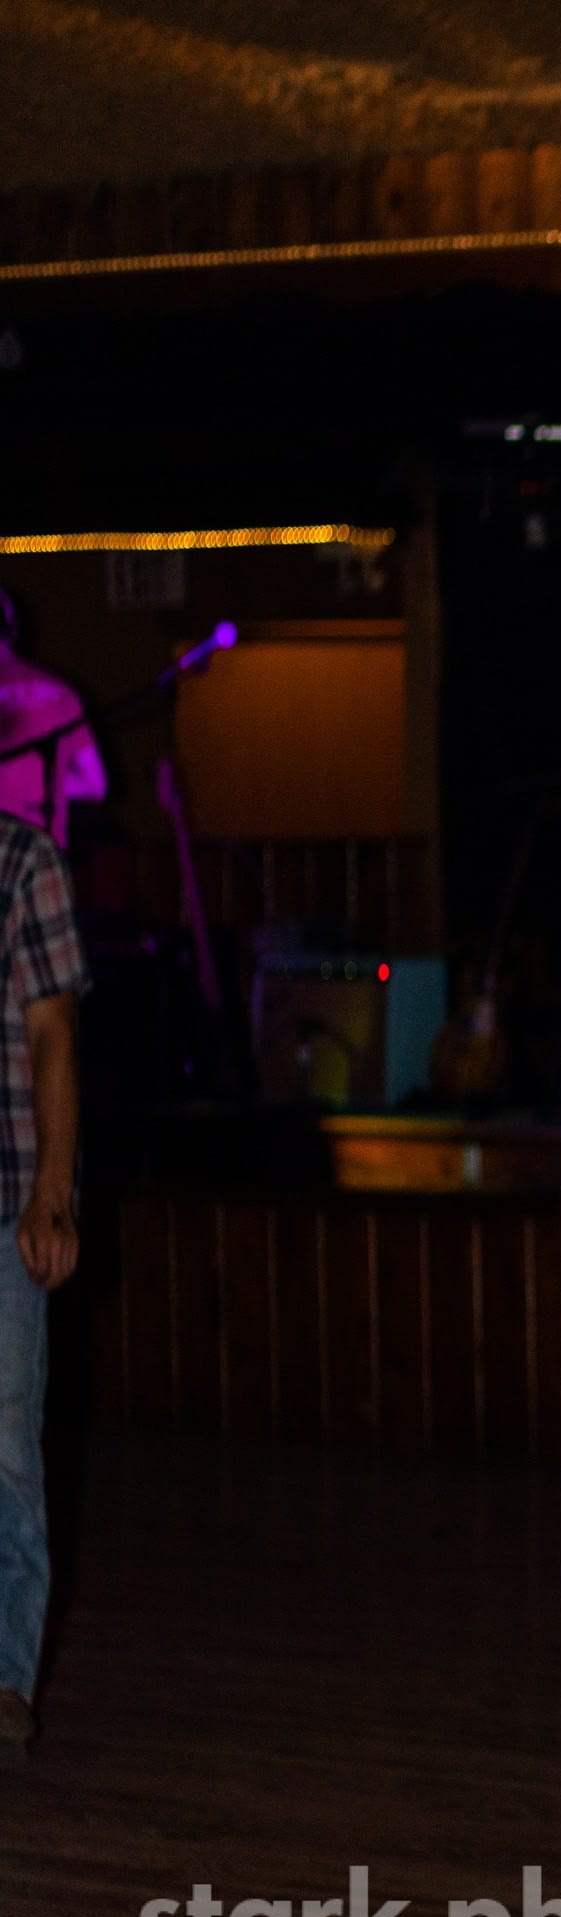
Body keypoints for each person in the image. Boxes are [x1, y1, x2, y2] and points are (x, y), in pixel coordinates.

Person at [0, 805, 87, 1759]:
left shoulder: (23, 860)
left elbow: (53, 1030)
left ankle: (4, 1681)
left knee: (6, 1448)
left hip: (4, 1196)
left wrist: (51, 1197)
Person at [0, 590, 107, 849]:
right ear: (13, 629)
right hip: (43, 856)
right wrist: (36, 781)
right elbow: (95, 784)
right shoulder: (61, 694)